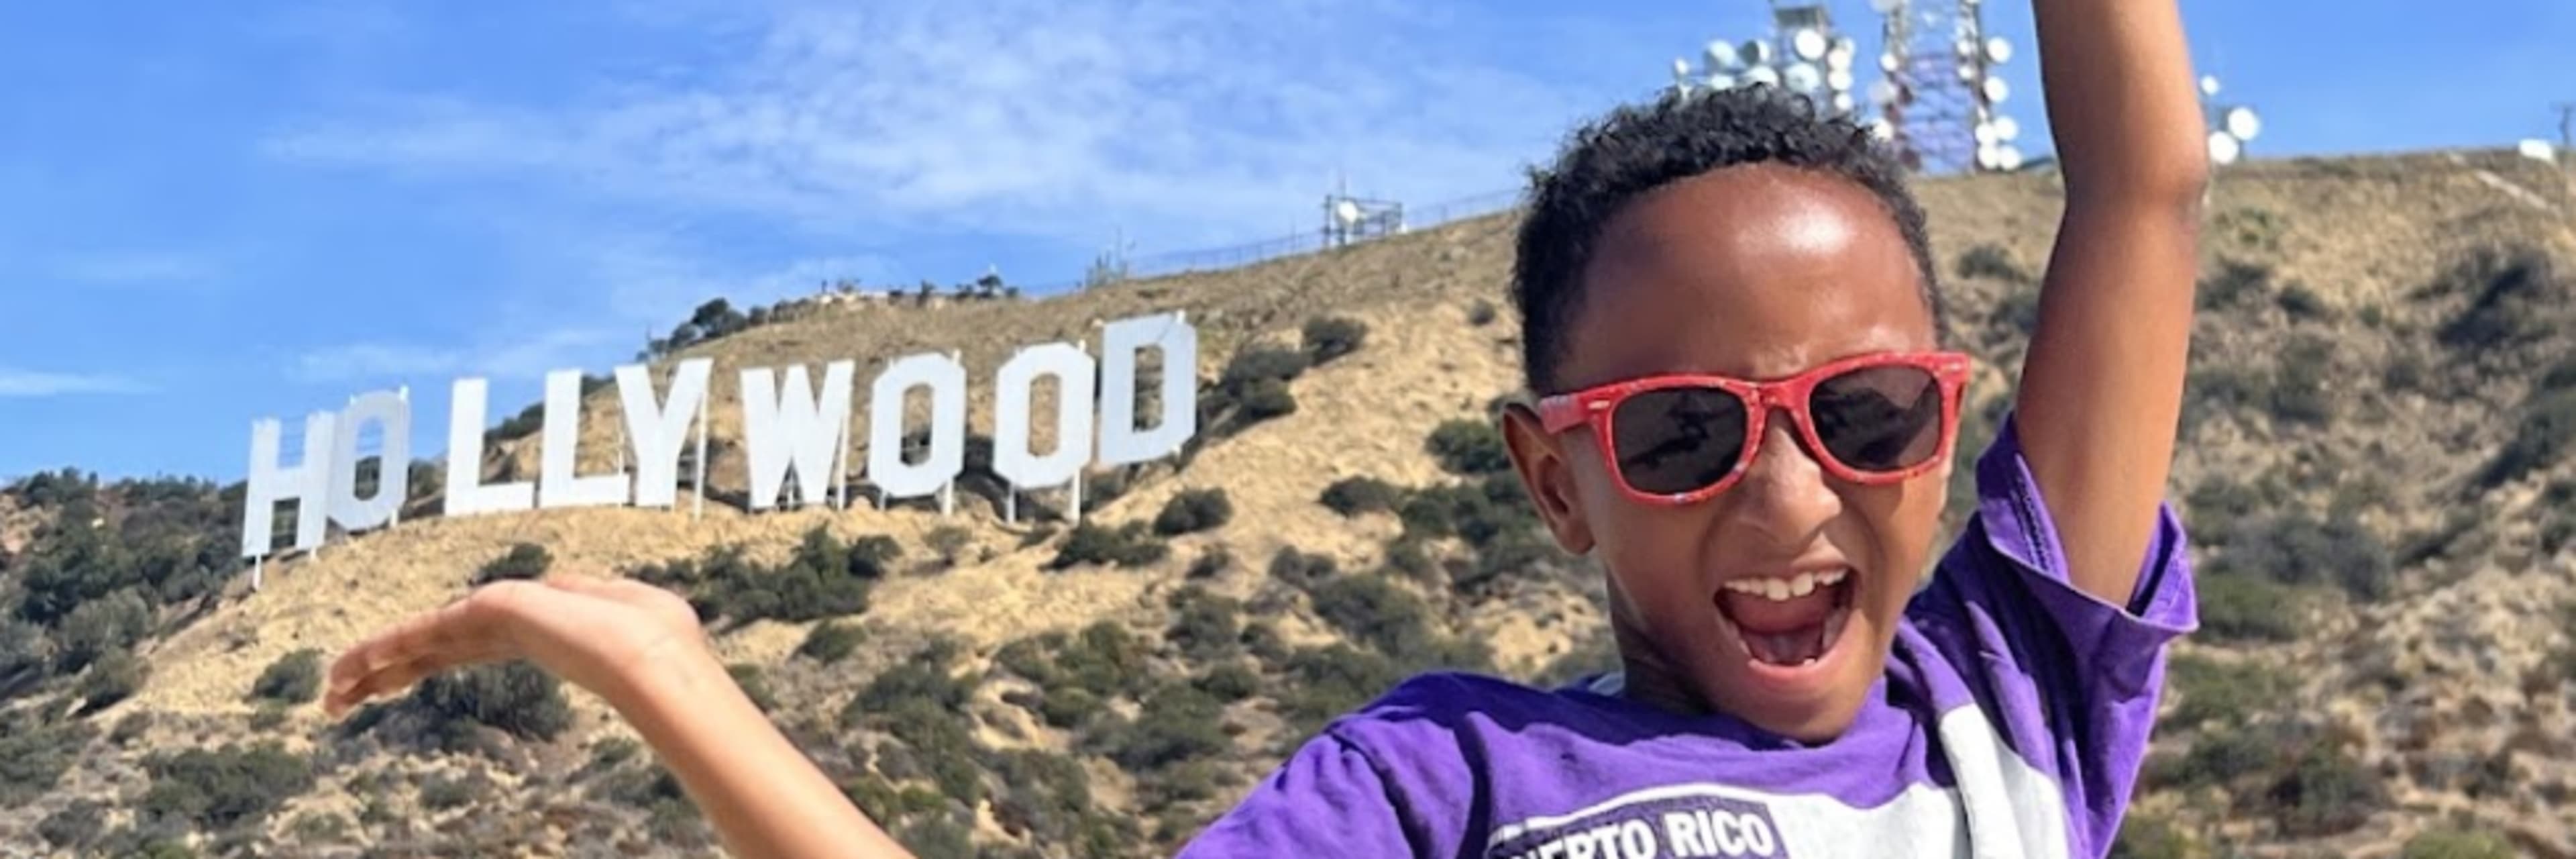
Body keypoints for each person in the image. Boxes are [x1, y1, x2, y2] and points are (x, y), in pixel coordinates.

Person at [322, 0, 2206, 854]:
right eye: (1685, 435)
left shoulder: (2012, 701)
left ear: (1945, 427)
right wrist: (675, 680)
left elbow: (2140, 192)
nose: (1793, 490)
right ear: (1554, 478)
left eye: (1867, 415)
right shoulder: (1441, 781)